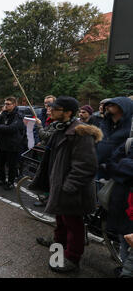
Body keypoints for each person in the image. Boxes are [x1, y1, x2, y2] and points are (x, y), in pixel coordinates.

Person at [30, 96, 102, 273]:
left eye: (55, 108)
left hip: (72, 190)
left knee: (73, 224)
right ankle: (58, 244)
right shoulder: (60, 128)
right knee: (61, 218)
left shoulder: (80, 133)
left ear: (68, 112)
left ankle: (72, 258)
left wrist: (68, 187)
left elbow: (86, 166)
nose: (50, 110)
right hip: (60, 184)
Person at [105, 137, 133, 278]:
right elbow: (110, 164)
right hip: (122, 202)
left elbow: (117, 165)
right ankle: (124, 268)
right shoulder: (130, 143)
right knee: (124, 239)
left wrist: (123, 165)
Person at [0, 97, 26, 190]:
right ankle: (2, 179)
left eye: (8, 104)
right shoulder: (3, 114)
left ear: (14, 104)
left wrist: (2, 127)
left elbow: (13, 128)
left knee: (12, 165)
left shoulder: (18, 115)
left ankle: (10, 182)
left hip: (13, 145)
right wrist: (4, 127)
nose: (5, 106)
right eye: (5, 104)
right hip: (1, 143)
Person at [97, 97, 133, 178]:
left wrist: (114, 166)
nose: (106, 107)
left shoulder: (130, 128)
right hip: (98, 169)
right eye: (106, 105)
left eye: (111, 105)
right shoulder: (104, 124)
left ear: (124, 107)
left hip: (118, 174)